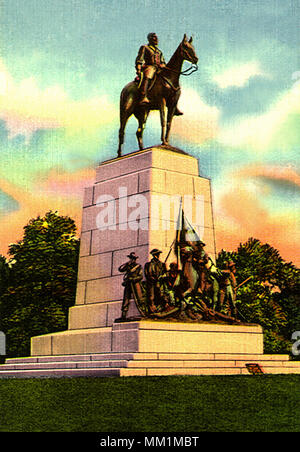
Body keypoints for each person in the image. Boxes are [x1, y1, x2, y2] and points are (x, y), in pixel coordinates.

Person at [135, 33, 183, 114]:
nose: (156, 39)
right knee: (148, 75)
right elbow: (140, 58)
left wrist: (164, 66)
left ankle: (174, 104)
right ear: (150, 39)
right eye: (153, 37)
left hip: (159, 69)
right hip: (149, 66)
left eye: (156, 37)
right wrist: (139, 67)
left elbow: (162, 61)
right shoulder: (145, 47)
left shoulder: (159, 51)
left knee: (171, 81)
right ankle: (144, 96)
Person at [118, 252, 144, 320]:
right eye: (131, 258)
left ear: (135, 259)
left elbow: (140, 276)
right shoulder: (128, 265)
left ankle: (143, 313)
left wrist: (133, 279)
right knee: (126, 299)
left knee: (139, 299)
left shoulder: (138, 266)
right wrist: (126, 263)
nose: (132, 260)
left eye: (133, 258)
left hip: (136, 284)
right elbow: (120, 269)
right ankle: (123, 314)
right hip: (128, 284)